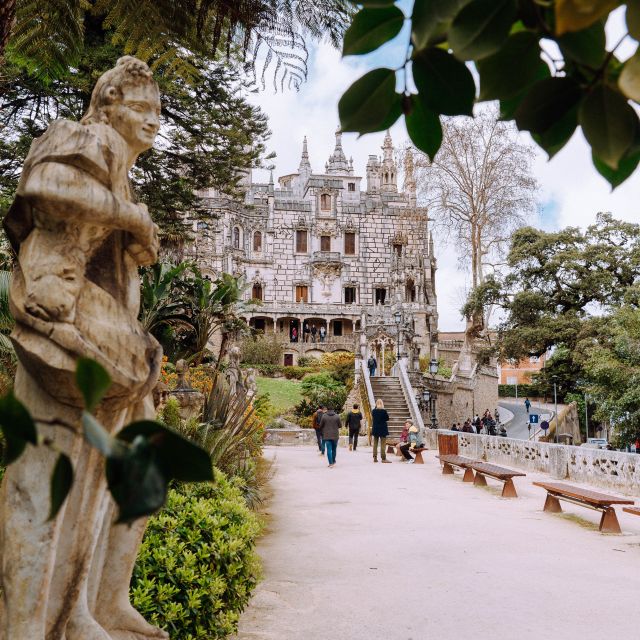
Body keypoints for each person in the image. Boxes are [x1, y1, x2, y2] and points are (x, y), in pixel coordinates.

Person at [371, 398, 391, 463]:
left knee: (375, 444)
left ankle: (375, 457)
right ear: (382, 404)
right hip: (383, 429)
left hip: (376, 429)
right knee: (383, 444)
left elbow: (373, 417)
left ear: (376, 404)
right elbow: (387, 418)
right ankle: (383, 458)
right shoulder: (384, 411)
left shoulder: (373, 411)